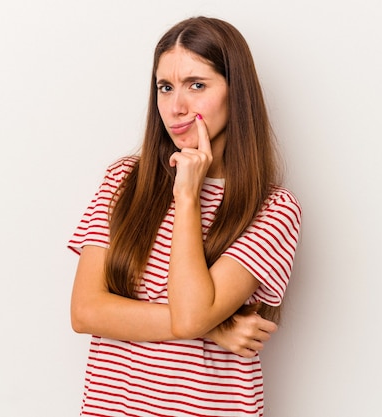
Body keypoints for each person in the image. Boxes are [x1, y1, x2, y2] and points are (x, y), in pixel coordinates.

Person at [68, 16, 302, 416]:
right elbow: (86, 311)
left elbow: (191, 314)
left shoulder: (274, 209)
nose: (176, 107)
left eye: (197, 85)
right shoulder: (125, 180)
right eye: (165, 87)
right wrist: (219, 326)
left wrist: (188, 196)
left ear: (236, 92)